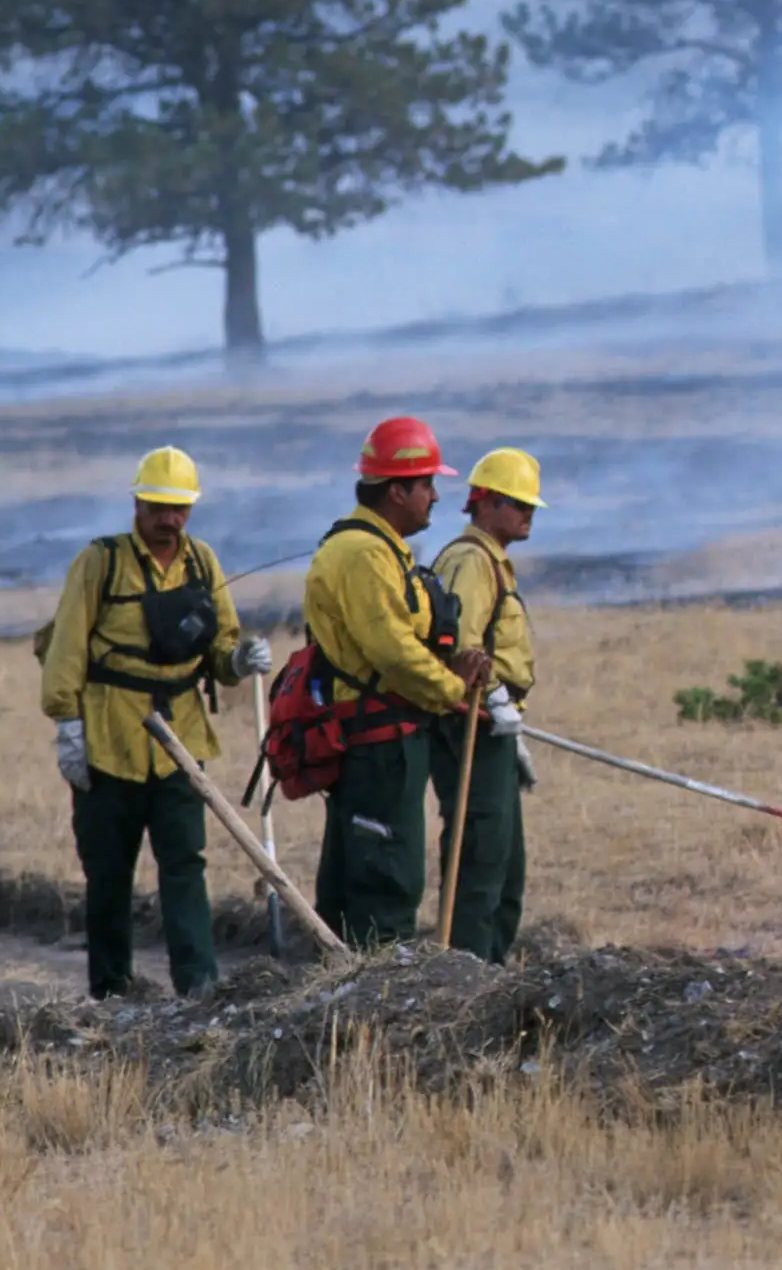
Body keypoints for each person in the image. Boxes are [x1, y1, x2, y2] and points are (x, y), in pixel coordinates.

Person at [38, 446, 270, 1000]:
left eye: (180, 509)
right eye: (160, 507)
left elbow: (222, 647)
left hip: (181, 744)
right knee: (109, 875)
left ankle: (199, 991)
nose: (171, 519)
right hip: (109, 741)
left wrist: (238, 662)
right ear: (138, 504)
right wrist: (67, 724)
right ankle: (112, 993)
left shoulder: (202, 564)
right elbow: (67, 645)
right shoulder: (100, 563)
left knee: (185, 867)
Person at [306, 415, 491, 947]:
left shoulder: (376, 547)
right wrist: (453, 689)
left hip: (378, 740)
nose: (435, 496)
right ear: (396, 490)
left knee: (356, 880)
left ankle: (343, 1001)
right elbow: (392, 650)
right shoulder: (365, 553)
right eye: (427, 484)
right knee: (387, 882)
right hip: (380, 747)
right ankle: (377, 1006)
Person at [429, 449, 543, 964]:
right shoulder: (472, 562)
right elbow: (460, 648)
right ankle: (466, 978)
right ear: (485, 502)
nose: (528, 515)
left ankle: (492, 971)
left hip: (494, 725)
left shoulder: (490, 560)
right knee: (480, 858)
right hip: (470, 724)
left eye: (531, 506)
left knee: (506, 863)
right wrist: (494, 696)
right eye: (518, 504)